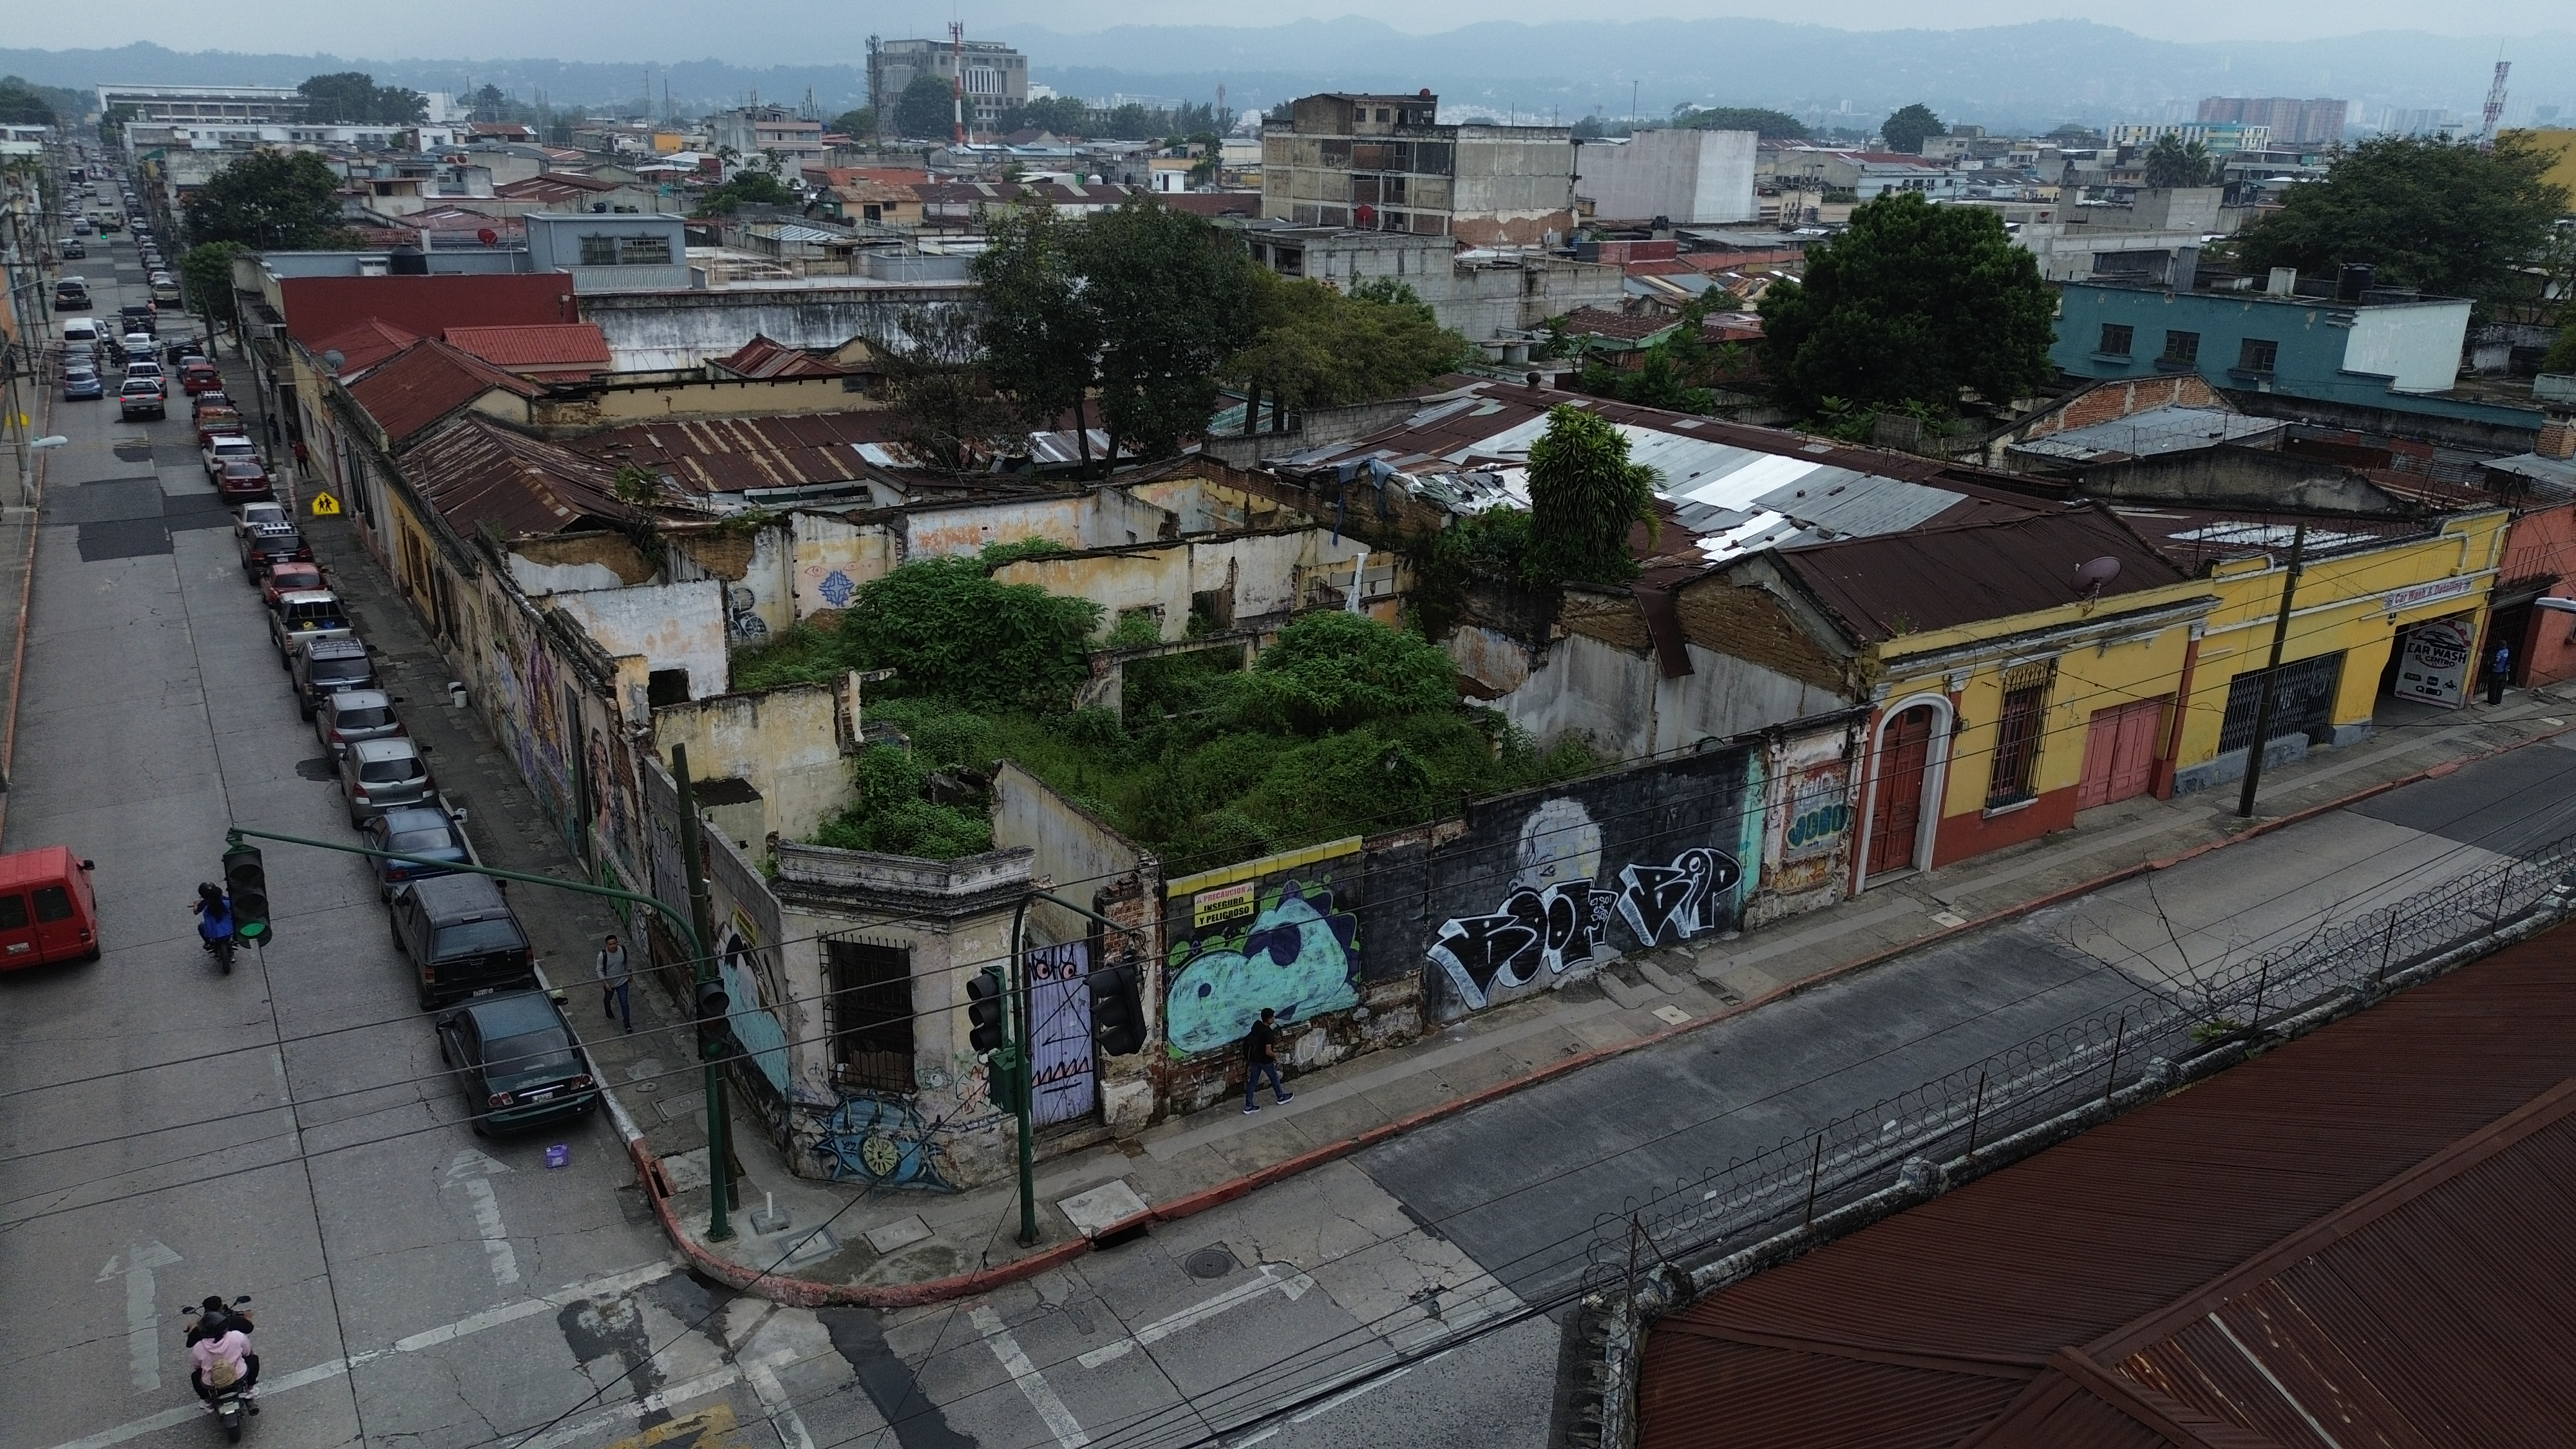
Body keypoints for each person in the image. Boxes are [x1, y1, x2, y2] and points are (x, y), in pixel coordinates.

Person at [187, 1299, 259, 1414]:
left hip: (212, 1383)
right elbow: (247, 1352)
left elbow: (196, 1365)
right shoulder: (236, 1336)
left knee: (195, 1376)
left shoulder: (199, 1347)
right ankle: (250, 1390)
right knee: (254, 1359)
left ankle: (208, 1403)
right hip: (238, 1375)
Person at [1242, 1007, 1292, 1115]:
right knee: (1274, 1078)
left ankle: (1248, 1106)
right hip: (1265, 1061)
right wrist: (1276, 1055)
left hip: (1255, 1059)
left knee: (1253, 1082)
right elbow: (1268, 1051)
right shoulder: (1268, 1033)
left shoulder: (1257, 1026)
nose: (1274, 1018)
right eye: (1273, 1017)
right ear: (1269, 1020)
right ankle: (1281, 1097)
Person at [193, 883, 234, 970]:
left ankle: (209, 943)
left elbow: (196, 912)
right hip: (229, 932)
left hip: (213, 935)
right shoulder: (226, 902)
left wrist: (196, 904)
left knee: (201, 926)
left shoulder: (205, 905)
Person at [597, 933, 632, 1034]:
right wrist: (605, 982)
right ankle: (608, 1010)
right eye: (611, 944)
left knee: (624, 1002)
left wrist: (630, 973)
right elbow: (599, 970)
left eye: (615, 943)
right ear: (606, 945)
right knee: (608, 998)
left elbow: (627, 961)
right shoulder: (602, 956)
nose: (613, 946)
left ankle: (627, 1024)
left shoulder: (623, 950)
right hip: (610, 983)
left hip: (622, 981)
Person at [2488, 640, 2512, 706]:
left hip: (2497, 671)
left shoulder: (2500, 652)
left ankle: (2492, 701)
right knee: (2500, 687)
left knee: (2493, 686)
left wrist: (2492, 664)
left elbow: (2497, 660)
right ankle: (2498, 700)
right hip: (2504, 671)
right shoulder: (2507, 651)